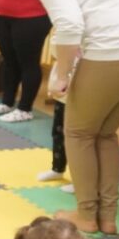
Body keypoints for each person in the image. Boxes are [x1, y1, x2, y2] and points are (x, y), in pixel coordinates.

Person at [24, 0, 119, 235]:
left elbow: (71, 26)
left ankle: (87, 215)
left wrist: (61, 76)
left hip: (110, 55)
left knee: (78, 132)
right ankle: (109, 217)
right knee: (104, 132)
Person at [37, 35, 76, 194]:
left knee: (76, 139)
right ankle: (57, 168)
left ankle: (80, 180)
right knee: (58, 132)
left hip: (81, 94)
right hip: (63, 93)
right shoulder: (67, 30)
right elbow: (55, 49)